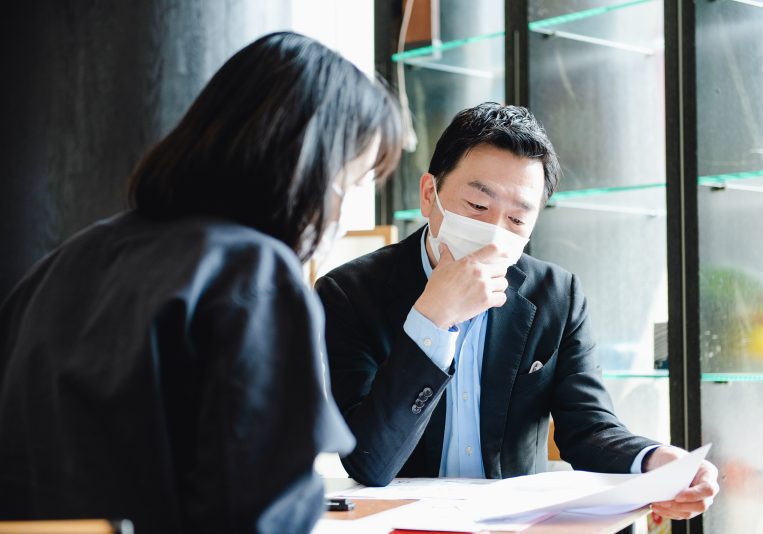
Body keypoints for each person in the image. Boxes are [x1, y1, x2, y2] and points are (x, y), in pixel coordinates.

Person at [0, 32, 401, 533]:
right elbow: (262, 514)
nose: (342, 210)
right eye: (352, 181)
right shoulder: (253, 274)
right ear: (309, 166)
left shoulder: (64, 263)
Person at [316, 102, 718, 521]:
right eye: (477, 206)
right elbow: (370, 462)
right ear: (429, 194)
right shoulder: (348, 293)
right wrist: (431, 321)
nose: (494, 233)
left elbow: (588, 429)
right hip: (404, 525)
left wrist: (657, 462)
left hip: (517, 525)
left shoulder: (557, 295)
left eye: (516, 219)